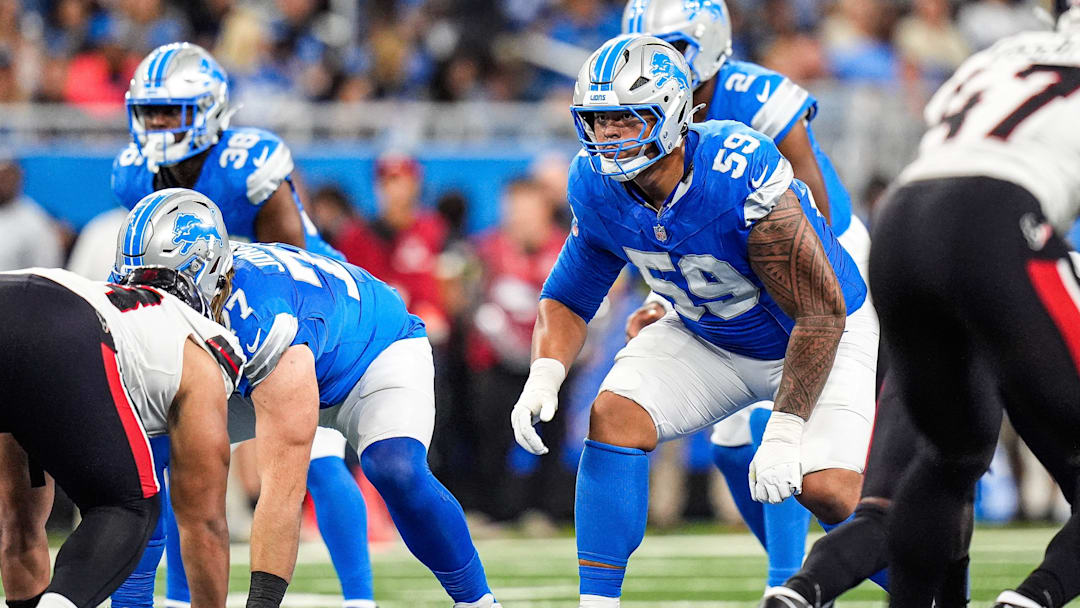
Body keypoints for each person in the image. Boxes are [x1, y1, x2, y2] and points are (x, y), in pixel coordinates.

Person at [509, 35, 877, 607]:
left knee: (826, 490)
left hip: (818, 333)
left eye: (626, 119)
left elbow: (820, 311)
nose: (609, 135)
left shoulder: (736, 169)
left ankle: (934, 592)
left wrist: (784, 430)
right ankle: (597, 602)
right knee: (615, 414)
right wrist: (546, 372)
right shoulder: (594, 183)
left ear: (673, 114)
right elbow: (568, 297)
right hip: (711, 334)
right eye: (599, 120)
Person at [115, 189, 502, 608]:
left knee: (394, 467)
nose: (151, 304)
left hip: (370, 354)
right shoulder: (169, 301)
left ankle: (477, 601)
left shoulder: (266, 320)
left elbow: (282, 493)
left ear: (208, 274)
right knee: (150, 456)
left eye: (163, 289)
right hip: (261, 359)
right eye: (138, 287)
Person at [620, 0, 878, 589]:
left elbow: (811, 218)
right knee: (731, 448)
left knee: (776, 431)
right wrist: (665, 298)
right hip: (730, 273)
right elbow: (660, 229)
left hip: (820, 259)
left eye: (671, 50)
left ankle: (787, 584)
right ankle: (804, 575)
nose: (654, 65)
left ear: (709, 44)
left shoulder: (755, 97)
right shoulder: (636, 115)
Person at [110, 42, 372, 608]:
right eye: (150, 112)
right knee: (174, 457)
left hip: (298, 309)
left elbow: (291, 265)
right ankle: (177, 598)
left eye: (171, 112)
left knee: (317, 458)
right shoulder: (133, 173)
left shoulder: (248, 164)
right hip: (205, 316)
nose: (158, 125)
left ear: (208, 109)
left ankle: (360, 600)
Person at [867, 9, 1080, 607]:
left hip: (902, 222)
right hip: (995, 221)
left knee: (951, 455)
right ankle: (1037, 596)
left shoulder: (1003, 55)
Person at [0, 264, 242, 608]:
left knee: (19, 520)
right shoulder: (199, 350)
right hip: (58, 328)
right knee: (127, 507)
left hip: (20, 295)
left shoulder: (106, 301)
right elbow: (204, 522)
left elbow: (19, 526)